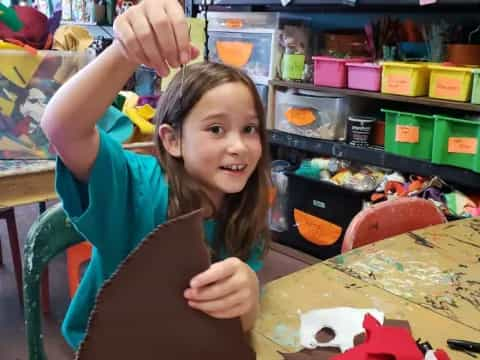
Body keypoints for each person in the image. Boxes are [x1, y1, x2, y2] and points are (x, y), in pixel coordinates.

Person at [40, 0, 271, 350]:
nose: (239, 146)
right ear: (172, 139)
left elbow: (236, 318)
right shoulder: (137, 186)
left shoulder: (247, 203)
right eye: (216, 129)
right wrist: (126, 50)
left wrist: (249, 295)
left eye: (250, 128)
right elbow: (62, 127)